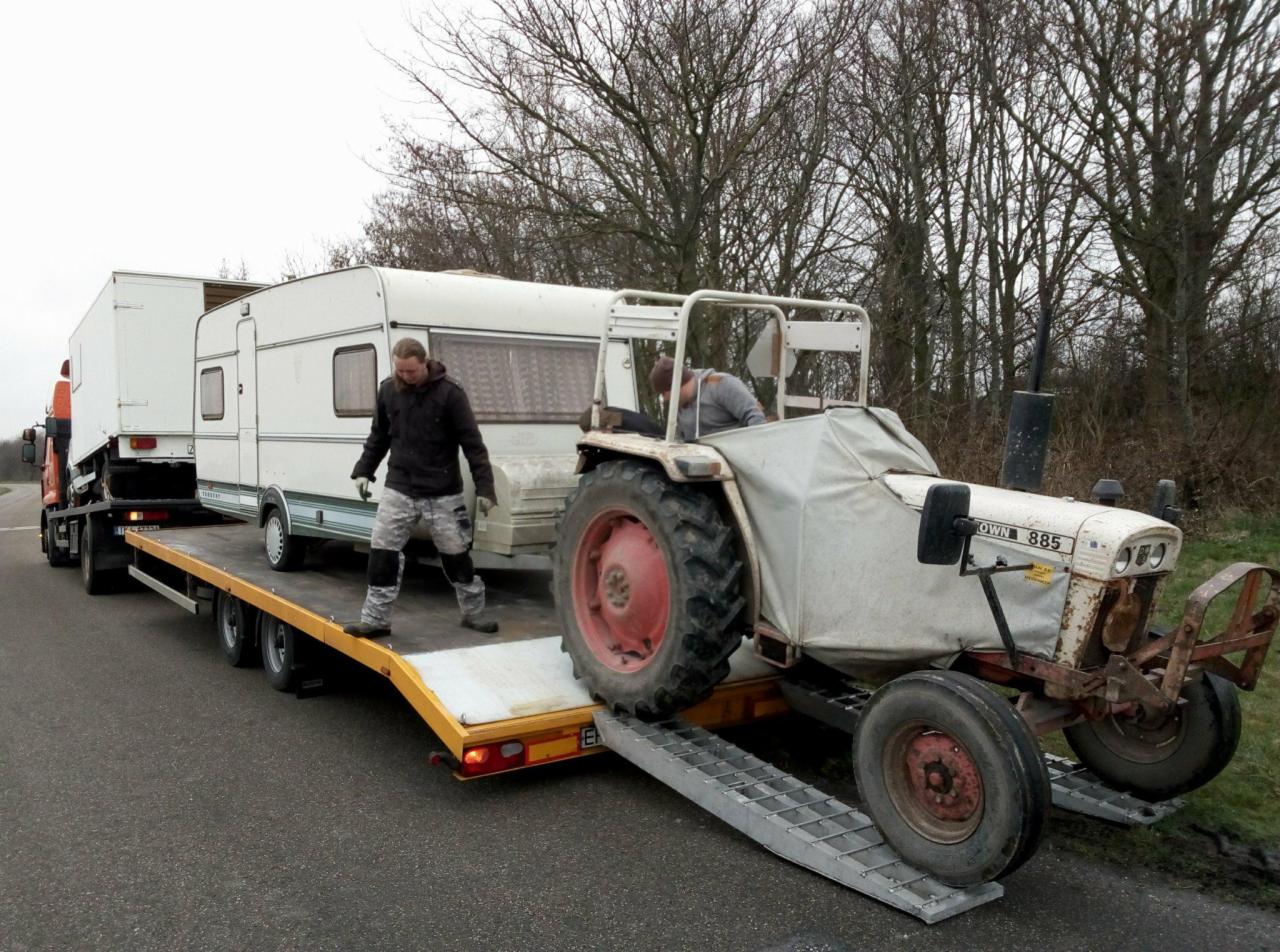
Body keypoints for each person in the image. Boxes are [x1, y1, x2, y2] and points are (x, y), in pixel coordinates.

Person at [342, 338, 499, 637]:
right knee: (382, 552)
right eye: (399, 370)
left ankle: (473, 613)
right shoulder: (388, 390)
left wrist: (485, 489)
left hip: (443, 490)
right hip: (399, 487)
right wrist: (363, 471)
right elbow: (378, 437)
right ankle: (376, 619)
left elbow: (473, 445)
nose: (405, 376)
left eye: (410, 371)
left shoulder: (450, 394)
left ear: (424, 364)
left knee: (456, 555)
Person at [648, 355, 766, 442]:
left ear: (675, 386)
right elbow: (680, 438)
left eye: (664, 393)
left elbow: (755, 416)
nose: (665, 399)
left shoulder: (721, 384)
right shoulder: (678, 404)